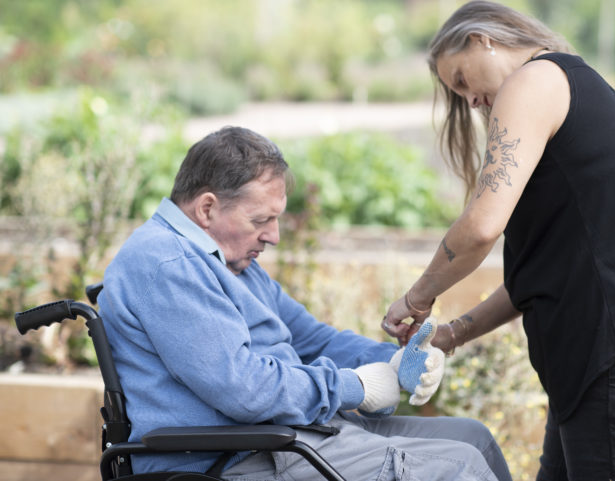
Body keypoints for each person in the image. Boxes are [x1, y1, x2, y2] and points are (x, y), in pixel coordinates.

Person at [381, 2, 615, 480]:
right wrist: (449, 336)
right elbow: (539, 274)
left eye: (462, 80)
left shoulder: (536, 81)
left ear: (482, 39)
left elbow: (482, 226)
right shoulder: (575, 89)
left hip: (612, 351)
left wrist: (417, 297)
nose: (469, 101)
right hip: (598, 358)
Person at [98, 125, 512, 481]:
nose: (274, 236)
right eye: (260, 220)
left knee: (474, 438)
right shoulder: (167, 266)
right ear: (207, 208)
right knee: (459, 467)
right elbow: (244, 389)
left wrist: (395, 360)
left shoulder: (227, 263)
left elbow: (312, 340)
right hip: (234, 459)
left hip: (287, 437)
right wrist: (355, 387)